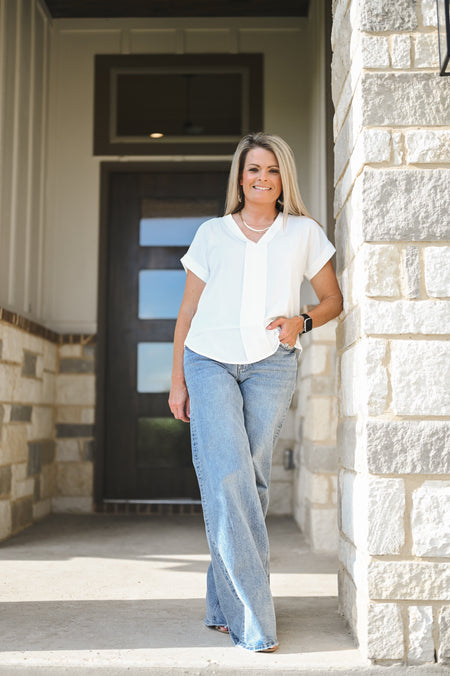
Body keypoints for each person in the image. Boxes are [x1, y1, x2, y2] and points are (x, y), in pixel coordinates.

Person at [169, 132, 343, 653]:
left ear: (283, 177)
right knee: (227, 479)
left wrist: (302, 320)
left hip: (272, 366)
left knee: (251, 486)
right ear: (239, 177)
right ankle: (253, 620)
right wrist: (177, 378)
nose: (261, 178)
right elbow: (186, 312)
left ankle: (220, 602)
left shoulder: (303, 233)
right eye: (252, 170)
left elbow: (333, 298)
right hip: (208, 361)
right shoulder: (212, 234)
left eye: (270, 170)